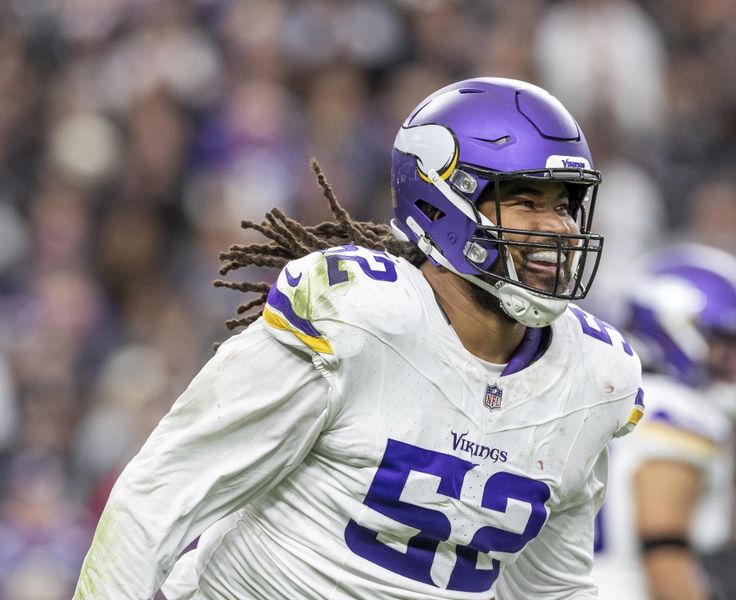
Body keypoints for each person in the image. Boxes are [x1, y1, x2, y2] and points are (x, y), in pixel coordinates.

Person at [73, 77, 644, 600]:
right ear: (445, 199)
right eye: (526, 201)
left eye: (565, 205)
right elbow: (157, 501)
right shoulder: (358, 319)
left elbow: (551, 590)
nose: (559, 229)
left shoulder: (593, 378)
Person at [593, 244, 736, 600]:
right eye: (723, 342)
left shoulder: (618, 393)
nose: (730, 359)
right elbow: (664, 554)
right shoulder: (681, 411)